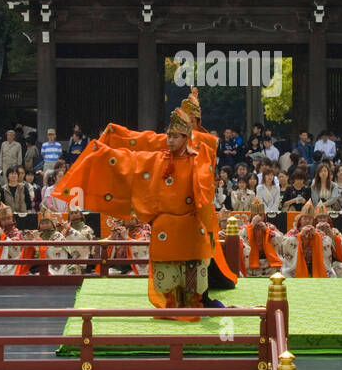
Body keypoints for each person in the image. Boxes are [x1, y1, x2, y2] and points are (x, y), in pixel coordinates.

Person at [56, 89, 227, 316]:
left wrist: (191, 124)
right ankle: (172, 305)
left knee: (195, 268)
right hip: (165, 224)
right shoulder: (158, 158)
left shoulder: (199, 153)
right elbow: (133, 160)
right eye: (169, 136)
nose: (170, 140)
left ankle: (198, 302)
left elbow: (205, 166)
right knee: (168, 273)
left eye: (176, 136)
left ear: (187, 136)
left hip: (191, 222)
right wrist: (106, 153)